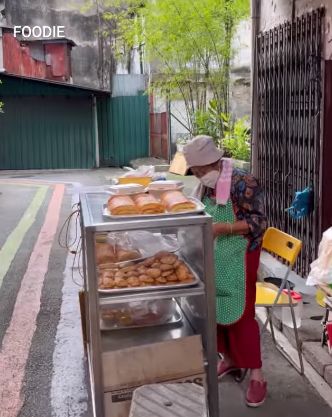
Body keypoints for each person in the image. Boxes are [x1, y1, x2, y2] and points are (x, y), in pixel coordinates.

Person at [183, 135, 267, 407]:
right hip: (216, 256)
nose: (198, 176)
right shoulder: (208, 185)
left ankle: (257, 376)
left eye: (200, 170)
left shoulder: (244, 182)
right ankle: (230, 360)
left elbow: (258, 222)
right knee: (216, 310)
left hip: (240, 255)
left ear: (215, 161)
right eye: (194, 172)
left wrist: (225, 228)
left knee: (241, 314)